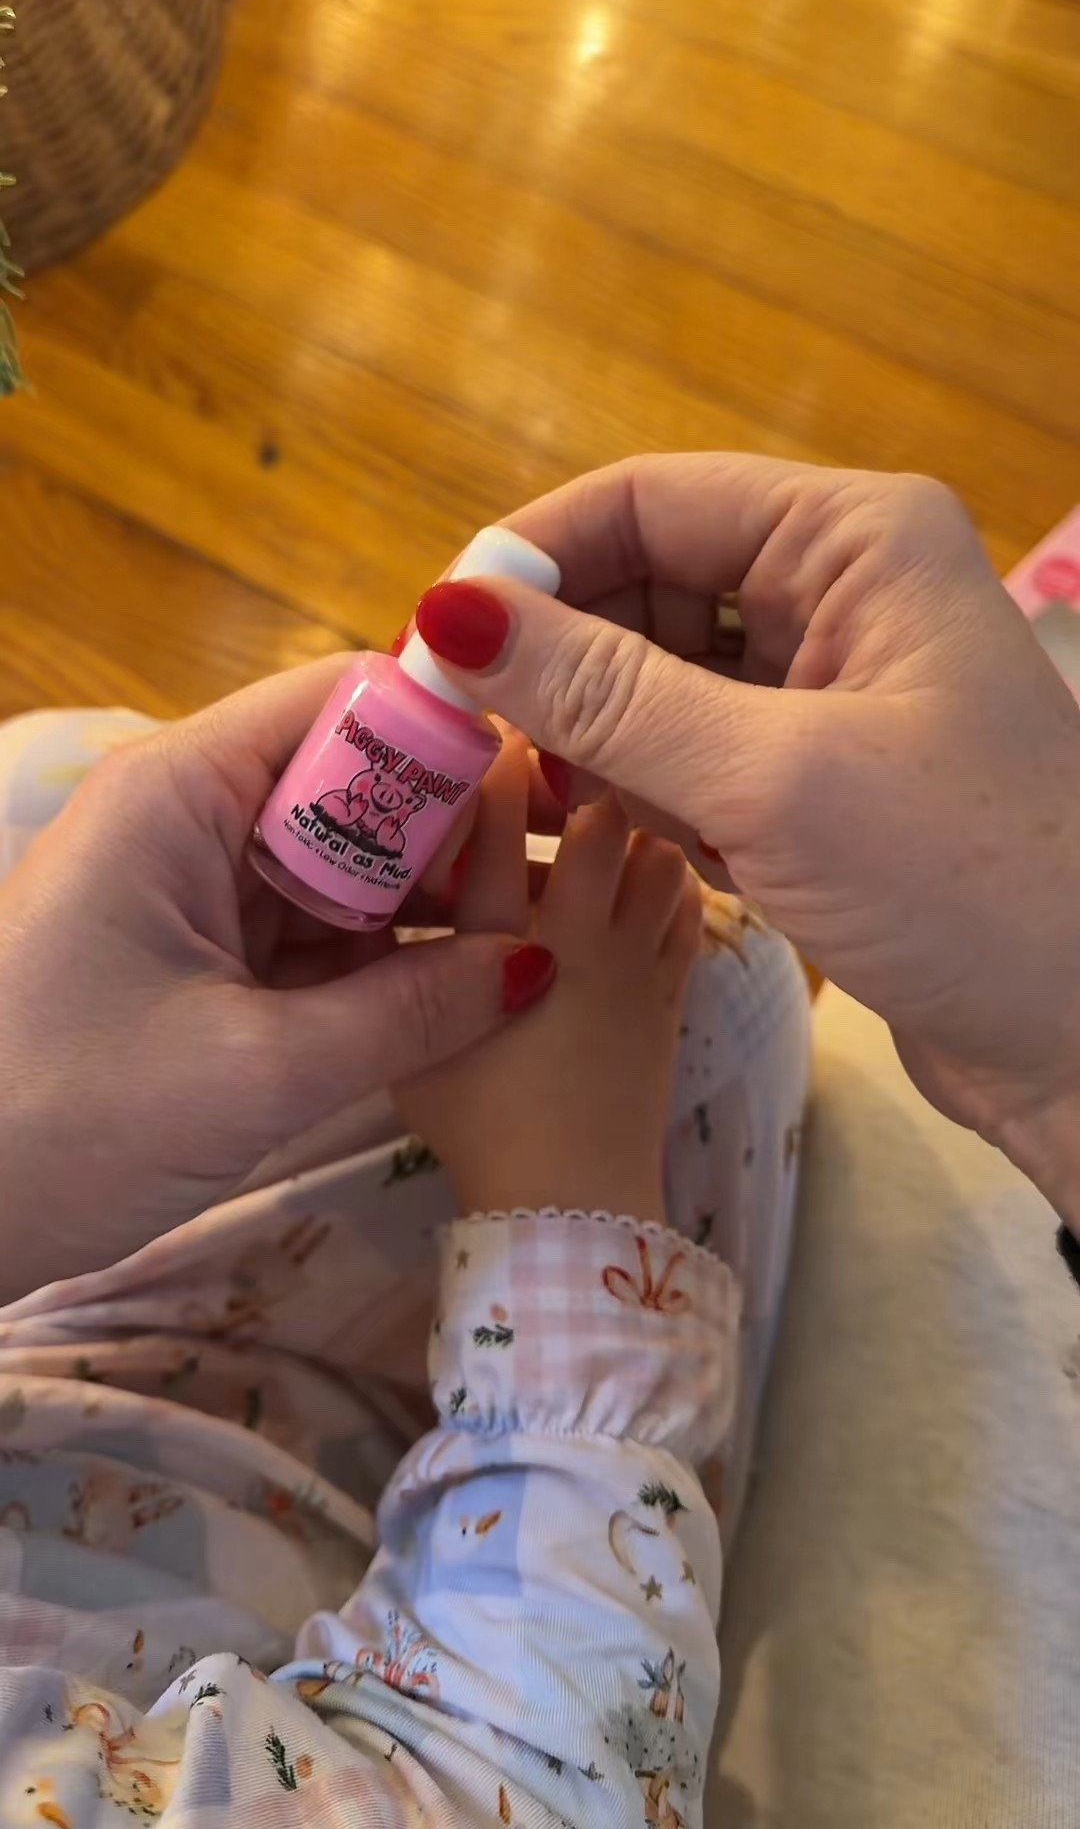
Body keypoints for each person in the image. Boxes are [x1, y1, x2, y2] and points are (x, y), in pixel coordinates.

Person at [0, 452, 1075, 1826]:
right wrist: (563, 1185)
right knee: (727, 1005)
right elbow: (526, 1780)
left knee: (47, 783)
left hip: (80, 1351)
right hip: (409, 1628)